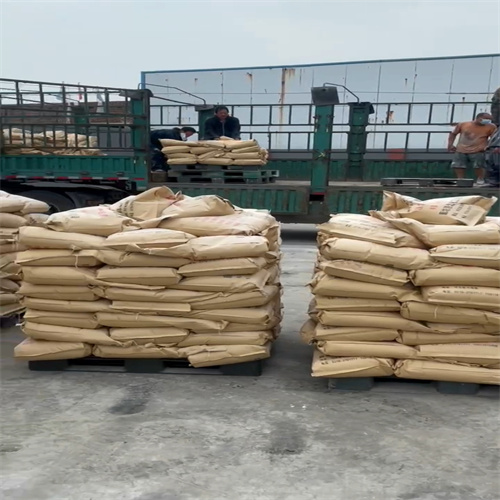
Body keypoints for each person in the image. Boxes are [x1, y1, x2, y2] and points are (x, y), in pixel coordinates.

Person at [447, 112, 497, 185]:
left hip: (479, 149)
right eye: (486, 119)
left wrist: (488, 146)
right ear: (479, 118)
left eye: (490, 120)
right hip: (461, 148)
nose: (488, 121)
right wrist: (450, 145)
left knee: (479, 165)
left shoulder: (491, 126)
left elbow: (494, 138)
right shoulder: (463, 124)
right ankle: (460, 179)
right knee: (458, 165)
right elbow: (453, 134)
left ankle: (480, 179)